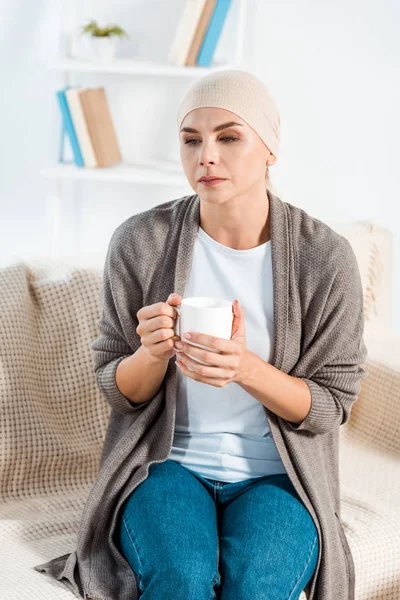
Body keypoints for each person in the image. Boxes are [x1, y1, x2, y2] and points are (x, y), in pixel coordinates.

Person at [34, 69, 367, 600]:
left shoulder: (323, 257)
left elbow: (332, 404)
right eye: (191, 139)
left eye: (229, 137)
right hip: (167, 468)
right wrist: (150, 354)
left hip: (279, 477)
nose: (206, 155)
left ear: (270, 148)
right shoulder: (142, 241)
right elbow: (117, 388)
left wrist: (248, 370)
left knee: (256, 587)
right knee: (181, 581)